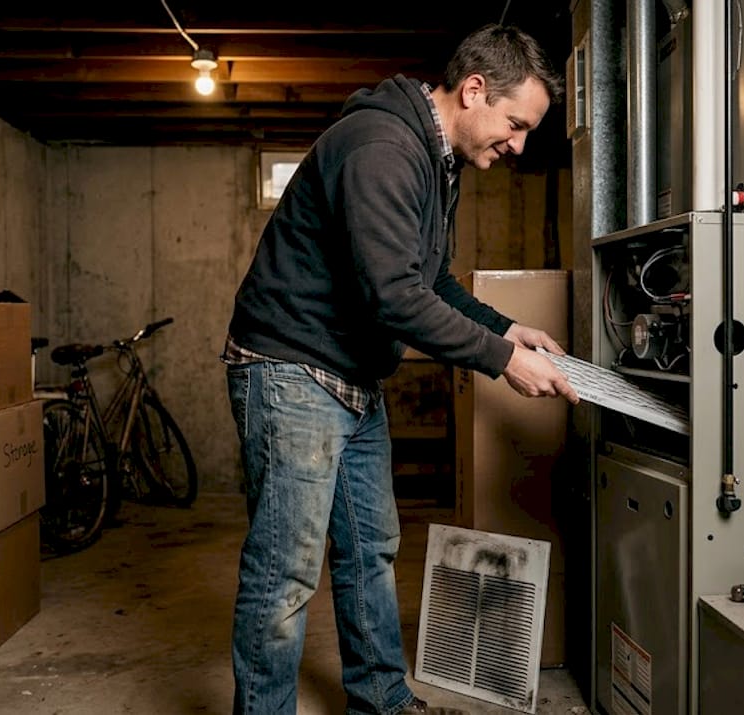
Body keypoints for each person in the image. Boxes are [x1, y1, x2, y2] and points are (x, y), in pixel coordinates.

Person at [221, 23, 578, 715]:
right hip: (291, 368)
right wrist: (503, 361)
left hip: (350, 373)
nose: (519, 145)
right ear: (474, 89)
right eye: (515, 124)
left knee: (371, 549)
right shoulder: (383, 147)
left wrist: (507, 327)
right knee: (285, 571)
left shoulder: (434, 157)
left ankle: (381, 699)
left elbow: (429, 279)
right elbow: (392, 296)